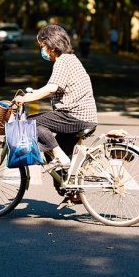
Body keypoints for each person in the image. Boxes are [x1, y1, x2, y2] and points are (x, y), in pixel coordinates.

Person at [12, 24, 97, 169]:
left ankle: (60, 155)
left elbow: (51, 88)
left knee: (31, 123)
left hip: (75, 117)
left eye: (42, 46)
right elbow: (54, 86)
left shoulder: (62, 61)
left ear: (51, 46)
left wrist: (24, 99)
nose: (42, 50)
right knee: (56, 160)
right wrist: (34, 93)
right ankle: (73, 190)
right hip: (82, 118)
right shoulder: (70, 59)